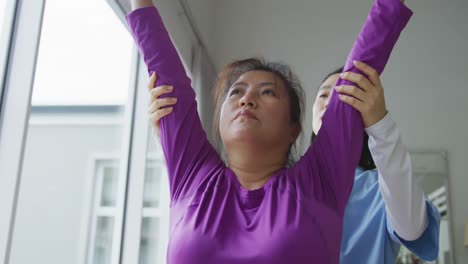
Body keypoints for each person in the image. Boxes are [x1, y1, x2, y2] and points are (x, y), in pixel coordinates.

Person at [127, 0, 412, 262]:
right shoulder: (191, 175)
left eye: (267, 93)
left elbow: (360, 70)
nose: (246, 99)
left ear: (293, 129)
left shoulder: (320, 181)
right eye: (236, 91)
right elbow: (163, 67)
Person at [148, 64, 441, 263]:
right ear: (303, 122)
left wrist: (381, 125)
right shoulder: (281, 192)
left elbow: (413, 229)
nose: (332, 101)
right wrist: (172, 144)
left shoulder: (377, 188)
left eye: (343, 95)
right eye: (324, 95)